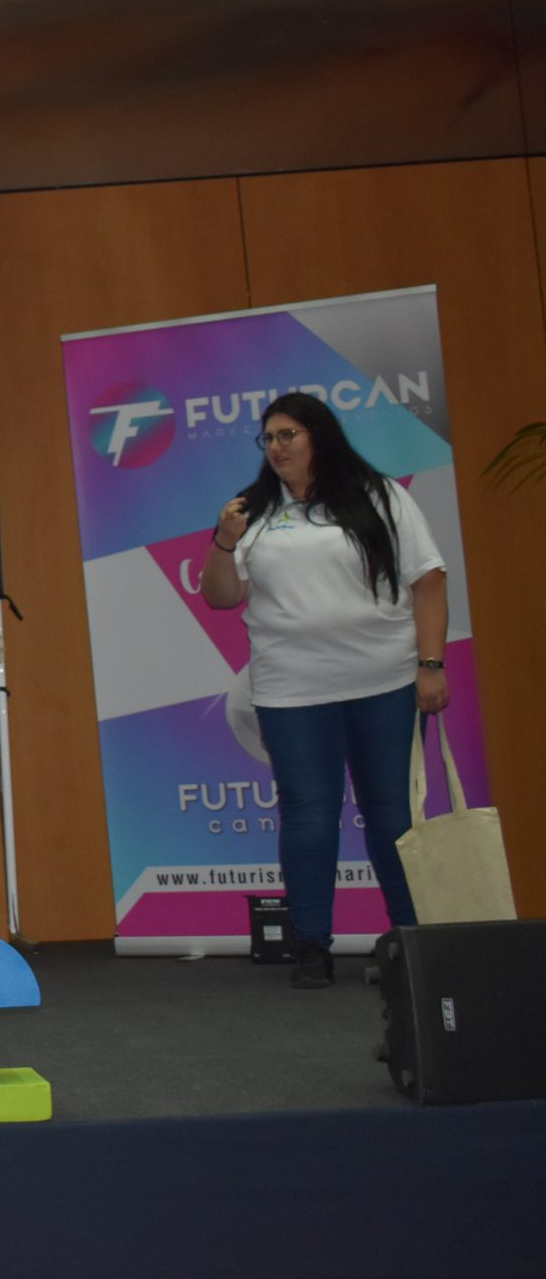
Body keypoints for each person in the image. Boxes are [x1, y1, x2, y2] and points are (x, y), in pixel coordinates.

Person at [199, 393, 449, 989]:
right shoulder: (252, 510)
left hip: (386, 681)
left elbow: (428, 578)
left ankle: (408, 940)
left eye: (288, 434)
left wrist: (430, 663)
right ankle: (311, 945)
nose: (276, 447)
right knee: (308, 814)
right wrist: (224, 541)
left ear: (319, 436)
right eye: (268, 438)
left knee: (390, 813)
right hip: (291, 690)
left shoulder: (379, 496)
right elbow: (221, 597)